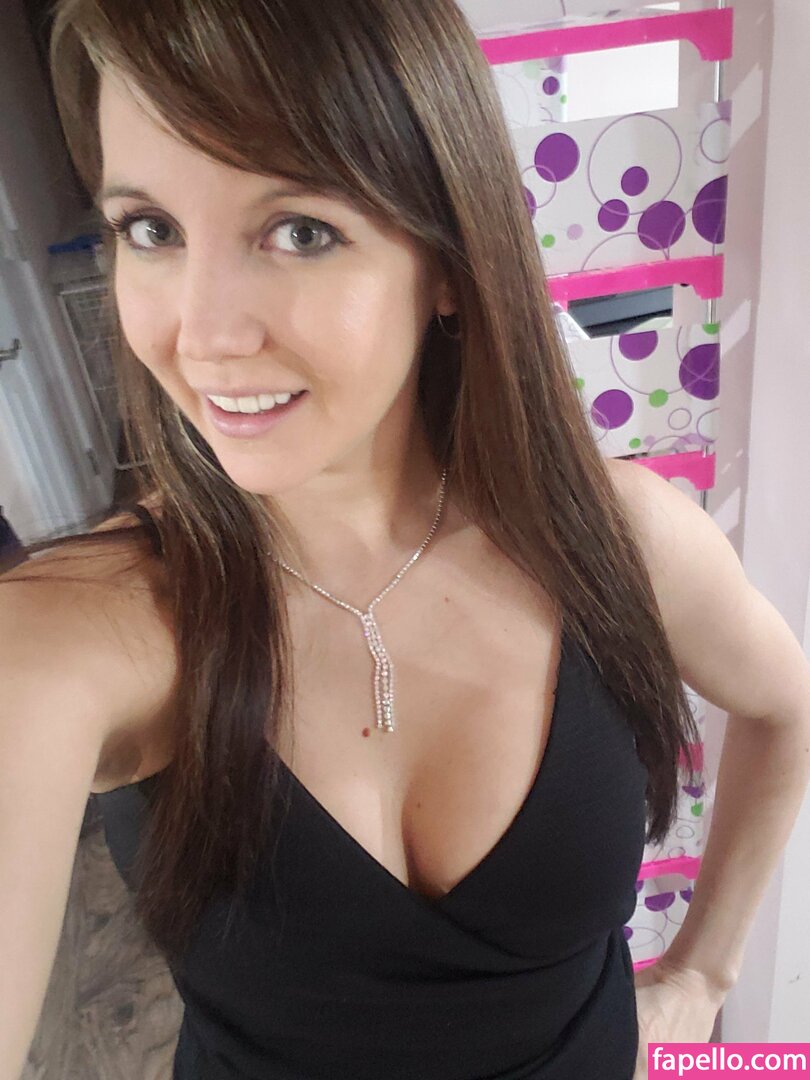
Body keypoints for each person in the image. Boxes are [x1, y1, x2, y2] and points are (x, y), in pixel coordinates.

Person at [2, 1, 809, 1078]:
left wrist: (703, 972)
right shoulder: (79, 632)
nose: (203, 333)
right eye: (151, 228)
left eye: (299, 231)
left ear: (448, 264)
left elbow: (785, 708)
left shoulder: (621, 541)